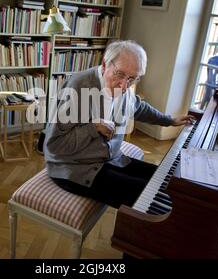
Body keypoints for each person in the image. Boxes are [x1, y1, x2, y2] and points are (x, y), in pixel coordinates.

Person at [44, 40, 195, 209]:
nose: (124, 86)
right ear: (104, 65)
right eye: (120, 74)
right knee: (155, 199)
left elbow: (137, 107)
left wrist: (169, 120)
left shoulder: (123, 87)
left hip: (110, 159)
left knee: (167, 182)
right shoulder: (79, 88)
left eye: (132, 79)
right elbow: (54, 146)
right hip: (76, 169)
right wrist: (93, 127)